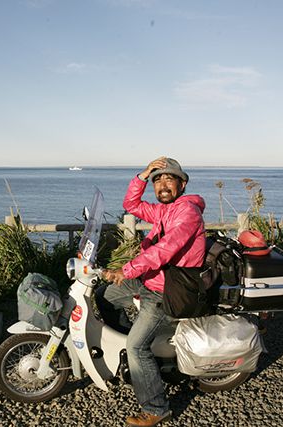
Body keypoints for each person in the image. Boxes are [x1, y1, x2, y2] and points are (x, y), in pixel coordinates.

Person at [99, 156, 206, 427]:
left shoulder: (188, 213)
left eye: (169, 179)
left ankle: (157, 408)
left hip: (167, 292)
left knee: (136, 346)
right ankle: (137, 362)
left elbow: (166, 249)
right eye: (158, 180)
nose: (162, 185)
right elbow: (131, 205)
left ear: (182, 185)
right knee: (105, 295)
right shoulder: (162, 211)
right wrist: (143, 174)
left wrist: (127, 270)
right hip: (149, 282)